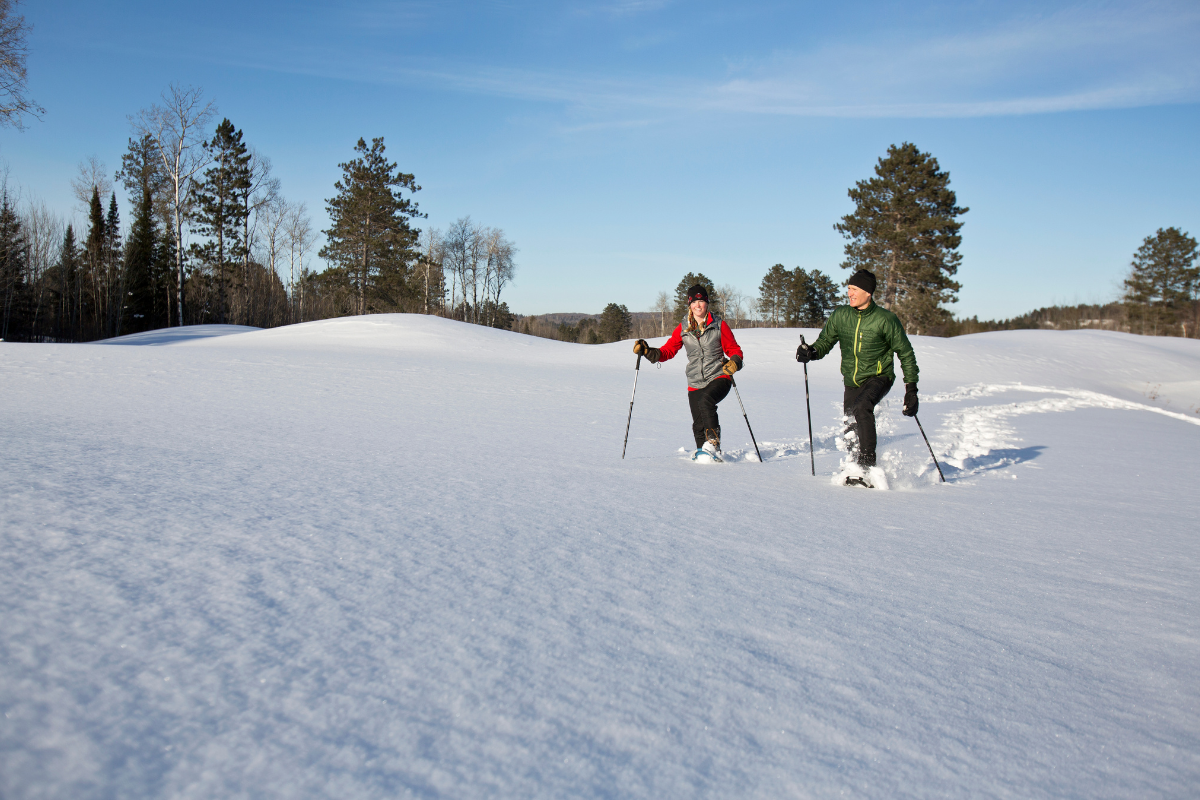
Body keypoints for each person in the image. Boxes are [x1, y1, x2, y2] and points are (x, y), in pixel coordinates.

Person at [795, 269, 920, 485]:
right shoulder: (841, 315)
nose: (849, 293)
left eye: (854, 289)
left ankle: (868, 466)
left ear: (868, 293)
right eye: (849, 289)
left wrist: (911, 389)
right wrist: (811, 352)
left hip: (879, 376)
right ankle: (854, 469)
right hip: (851, 380)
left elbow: (906, 353)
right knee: (851, 424)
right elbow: (825, 342)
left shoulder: (885, 320)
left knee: (862, 407)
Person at [632, 284, 744, 461]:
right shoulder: (683, 328)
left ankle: (713, 444)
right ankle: (704, 456)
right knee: (698, 424)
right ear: (689, 304)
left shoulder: (719, 325)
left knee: (706, 400)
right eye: (694, 302)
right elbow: (668, 351)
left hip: (719, 376)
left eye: (701, 301)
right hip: (695, 380)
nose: (698, 305)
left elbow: (734, 350)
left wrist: (735, 362)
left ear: (707, 303)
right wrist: (647, 352)